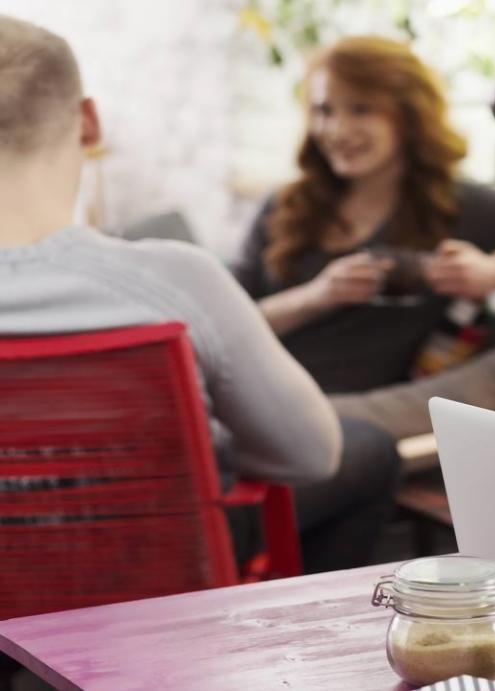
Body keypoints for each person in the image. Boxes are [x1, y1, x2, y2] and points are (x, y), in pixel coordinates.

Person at [0, 15, 398, 574]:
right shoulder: (177, 280)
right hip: (145, 577)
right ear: (89, 123)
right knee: (367, 451)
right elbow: (308, 454)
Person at [231, 36, 495, 439]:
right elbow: (223, 325)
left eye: (361, 110)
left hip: (342, 420)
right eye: (324, 111)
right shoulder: (285, 206)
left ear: (407, 115)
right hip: (254, 396)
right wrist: (317, 296)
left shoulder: (464, 205)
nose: (337, 130)